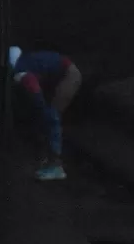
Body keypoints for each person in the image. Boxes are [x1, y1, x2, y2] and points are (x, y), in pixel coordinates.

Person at [9, 46, 83, 180]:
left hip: (69, 76)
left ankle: (55, 165)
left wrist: (41, 109)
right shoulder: (27, 61)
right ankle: (46, 159)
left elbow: (35, 92)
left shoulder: (20, 71)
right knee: (46, 117)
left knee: (51, 117)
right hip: (64, 73)